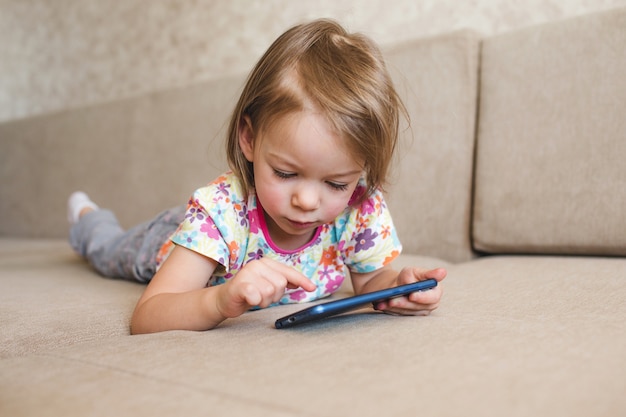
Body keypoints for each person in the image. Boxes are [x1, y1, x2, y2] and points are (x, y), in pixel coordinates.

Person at [67, 19, 446, 334]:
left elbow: (369, 281)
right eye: (285, 173)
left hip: (210, 231)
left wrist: (398, 288)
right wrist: (219, 299)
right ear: (248, 139)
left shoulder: (358, 208)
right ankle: (88, 220)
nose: (308, 201)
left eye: (335, 184)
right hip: (171, 240)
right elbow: (147, 317)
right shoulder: (219, 212)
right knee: (108, 249)